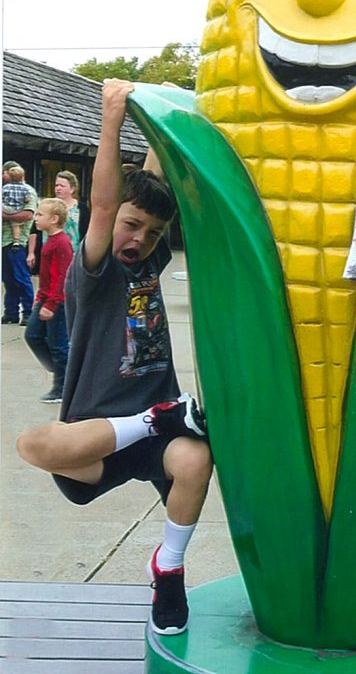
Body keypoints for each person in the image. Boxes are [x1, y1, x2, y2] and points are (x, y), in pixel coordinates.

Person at [16, 79, 213, 636]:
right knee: (34, 443)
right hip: (102, 433)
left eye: (153, 233)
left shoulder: (146, 264)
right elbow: (106, 203)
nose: (141, 237)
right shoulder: (95, 268)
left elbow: (150, 180)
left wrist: (161, 113)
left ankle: (168, 572)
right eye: (132, 226)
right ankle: (157, 419)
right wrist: (112, 116)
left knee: (195, 461)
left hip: (161, 432)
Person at [24, 198, 74, 403]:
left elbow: (62, 276)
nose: (36, 218)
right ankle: (64, 371)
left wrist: (52, 304)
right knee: (33, 335)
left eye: (40, 215)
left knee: (58, 345)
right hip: (45, 299)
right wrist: (40, 300)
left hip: (57, 302)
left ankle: (62, 386)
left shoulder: (62, 242)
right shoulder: (49, 240)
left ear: (54, 219)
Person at [27, 169, 91, 274]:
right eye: (56, 185)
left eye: (62, 186)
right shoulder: (46, 206)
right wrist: (31, 253)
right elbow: (35, 230)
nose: (58, 188)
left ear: (72, 189)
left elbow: (87, 233)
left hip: (73, 255)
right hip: (48, 253)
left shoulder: (81, 209)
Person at [2, 160, 37, 325]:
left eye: (4, 172)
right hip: (4, 240)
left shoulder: (28, 191)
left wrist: (6, 216)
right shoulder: (4, 190)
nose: (2, 176)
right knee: (8, 279)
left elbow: (28, 215)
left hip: (19, 242)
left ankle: (29, 312)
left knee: (21, 278)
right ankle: (11, 312)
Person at [3, 164, 33, 247]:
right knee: (16, 225)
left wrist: (4, 216)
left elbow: (28, 215)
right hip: (18, 208)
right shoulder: (25, 189)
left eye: (4, 173)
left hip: (6, 208)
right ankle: (16, 240)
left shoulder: (6, 187)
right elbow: (28, 199)